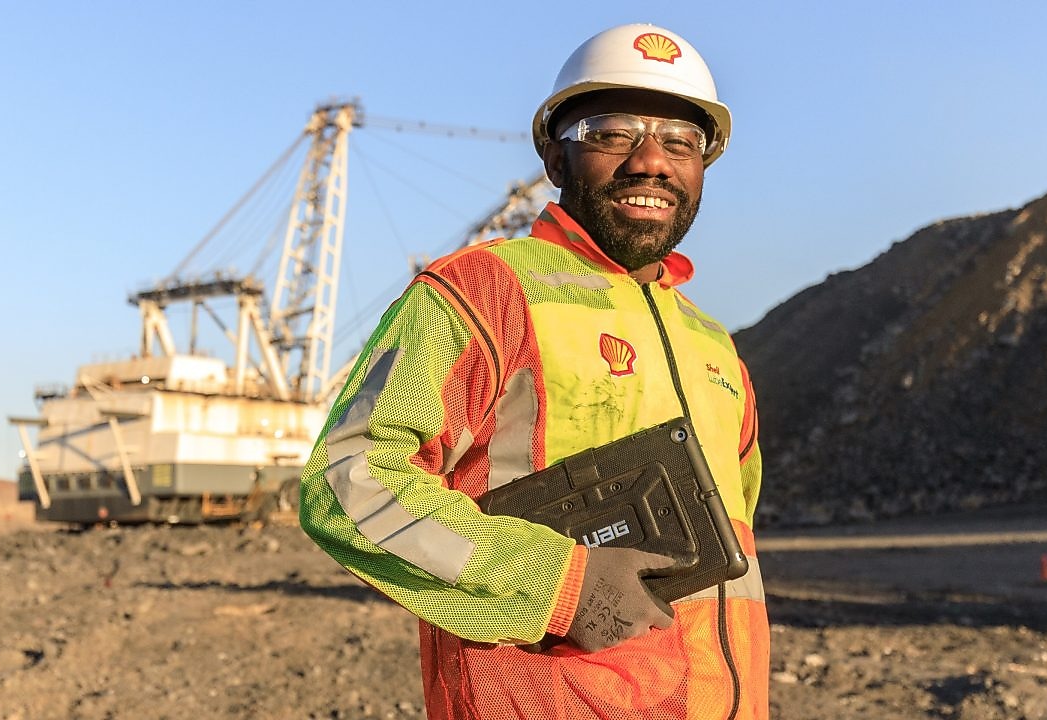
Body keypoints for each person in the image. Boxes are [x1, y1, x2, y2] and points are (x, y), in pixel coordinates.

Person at [300, 23, 767, 720]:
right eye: (612, 132)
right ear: (553, 157)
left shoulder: (713, 344)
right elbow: (348, 480)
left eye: (680, 141)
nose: (651, 162)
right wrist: (559, 584)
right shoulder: (483, 294)